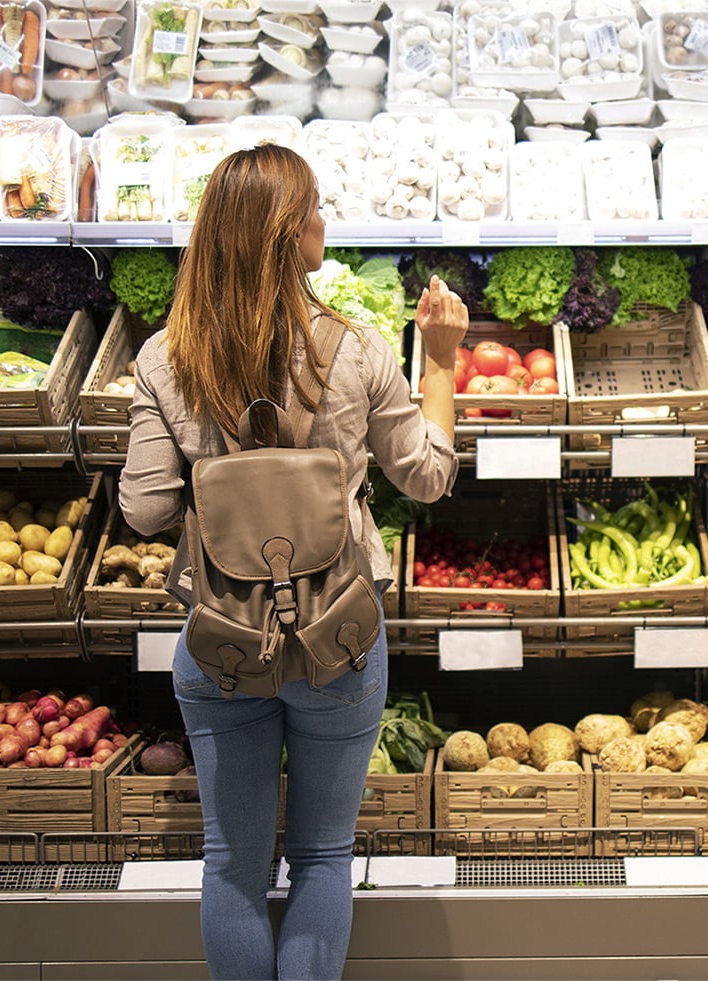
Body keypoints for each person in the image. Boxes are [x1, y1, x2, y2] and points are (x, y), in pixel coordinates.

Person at [118, 143, 468, 981]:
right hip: (337, 636)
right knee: (319, 855)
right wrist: (445, 360)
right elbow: (425, 476)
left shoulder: (167, 360)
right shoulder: (356, 348)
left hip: (222, 640)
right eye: (311, 208)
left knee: (232, 863)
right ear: (284, 235)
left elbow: (145, 509)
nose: (323, 221)